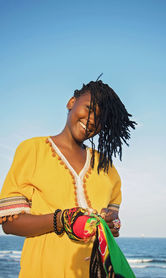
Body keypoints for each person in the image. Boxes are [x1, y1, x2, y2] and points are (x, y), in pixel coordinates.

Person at [0, 80, 137, 278]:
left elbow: (113, 225)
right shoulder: (33, 150)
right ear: (71, 102)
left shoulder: (106, 165)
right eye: (89, 109)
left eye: (100, 119)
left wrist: (112, 222)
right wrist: (62, 220)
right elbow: (9, 223)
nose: (91, 120)